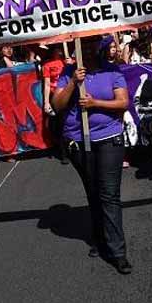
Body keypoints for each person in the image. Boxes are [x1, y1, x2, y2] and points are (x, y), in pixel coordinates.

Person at [51, 36, 133, 275]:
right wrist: (73, 84)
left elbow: (123, 103)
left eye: (91, 44)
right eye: (82, 45)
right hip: (79, 140)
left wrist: (96, 102)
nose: (86, 49)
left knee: (109, 194)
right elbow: (57, 106)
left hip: (109, 138)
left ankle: (118, 252)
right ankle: (100, 238)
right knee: (94, 192)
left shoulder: (112, 70)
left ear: (99, 47)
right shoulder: (69, 72)